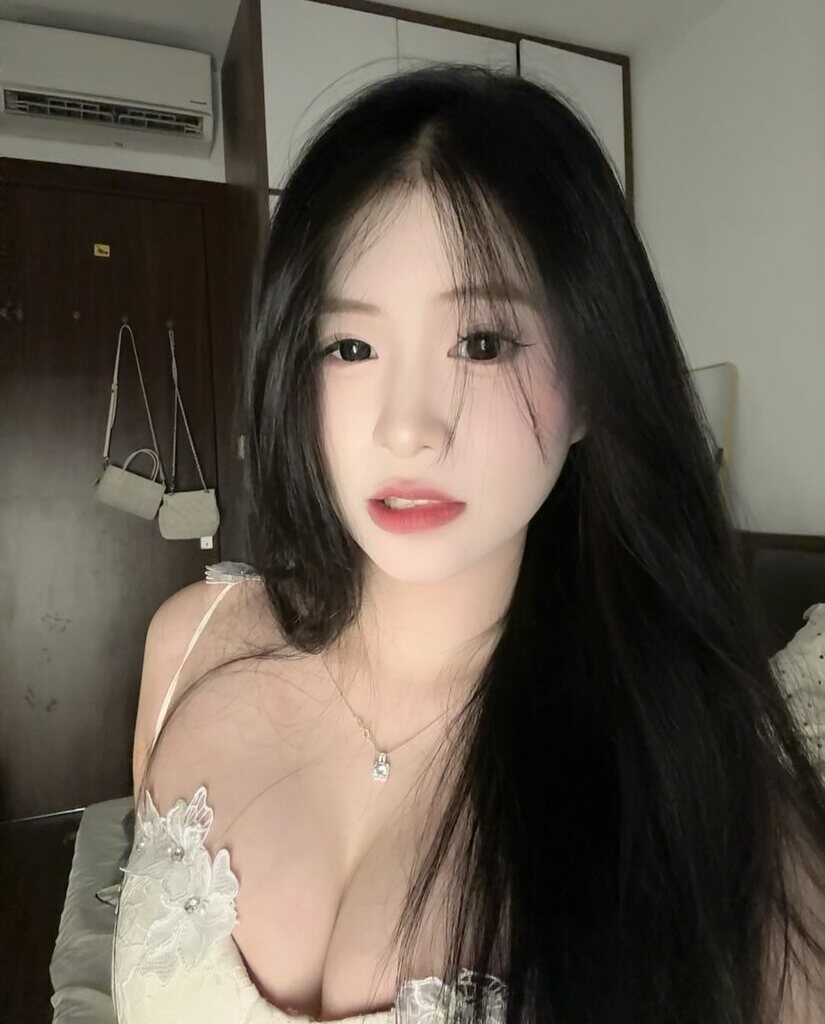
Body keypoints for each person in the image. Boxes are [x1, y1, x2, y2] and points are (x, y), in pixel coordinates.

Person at [113, 64, 825, 1024]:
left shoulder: (710, 800)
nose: (408, 429)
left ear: (592, 382)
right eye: (350, 348)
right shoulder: (189, 648)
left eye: (482, 343)